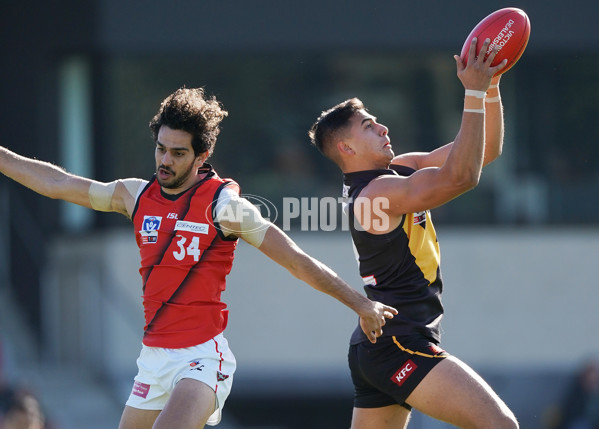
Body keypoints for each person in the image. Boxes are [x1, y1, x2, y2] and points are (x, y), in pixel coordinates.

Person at [0, 87, 398, 429]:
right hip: (153, 359)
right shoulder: (134, 196)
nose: (165, 161)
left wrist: (360, 304)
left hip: (202, 359)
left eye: (177, 153)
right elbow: (57, 184)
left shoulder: (225, 206)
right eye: (160, 149)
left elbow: (294, 258)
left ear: (201, 154)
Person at [308, 38, 519, 428]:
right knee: (500, 424)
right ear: (347, 148)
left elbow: (481, 151)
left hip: (380, 344)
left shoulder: (396, 172)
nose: (383, 126)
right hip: (400, 342)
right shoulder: (378, 193)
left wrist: (490, 88)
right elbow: (462, 176)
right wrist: (472, 90)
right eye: (369, 126)